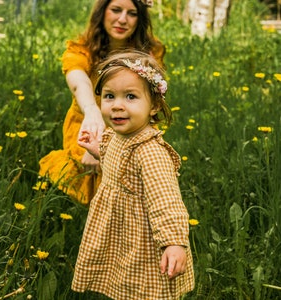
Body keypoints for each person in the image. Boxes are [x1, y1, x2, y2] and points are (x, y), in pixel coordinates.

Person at [72, 50, 195, 299]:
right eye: (109, 96)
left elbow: (166, 201)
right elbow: (118, 168)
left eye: (130, 96)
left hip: (144, 243)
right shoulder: (118, 137)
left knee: (143, 289)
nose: (117, 105)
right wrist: (98, 151)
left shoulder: (150, 152)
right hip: (120, 234)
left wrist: (173, 242)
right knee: (121, 282)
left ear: (154, 106)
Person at [38, 0, 165, 204]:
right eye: (116, 10)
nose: (122, 19)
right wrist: (92, 112)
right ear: (102, 12)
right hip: (87, 124)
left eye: (131, 13)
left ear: (139, 18)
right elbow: (79, 83)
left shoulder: (149, 52)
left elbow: (148, 100)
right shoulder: (81, 50)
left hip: (132, 126)